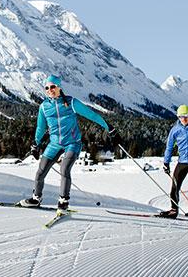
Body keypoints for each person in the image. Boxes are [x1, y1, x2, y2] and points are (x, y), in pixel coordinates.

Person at [19, 74, 120, 213]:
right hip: (54, 144)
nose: (50, 90)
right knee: (40, 172)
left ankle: (63, 201)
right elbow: (40, 128)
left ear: (59, 87)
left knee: (64, 169)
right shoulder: (44, 107)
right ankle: (36, 198)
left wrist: (109, 127)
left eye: (53, 87)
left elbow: (92, 115)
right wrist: (35, 144)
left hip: (72, 143)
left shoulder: (71, 102)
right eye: (47, 88)